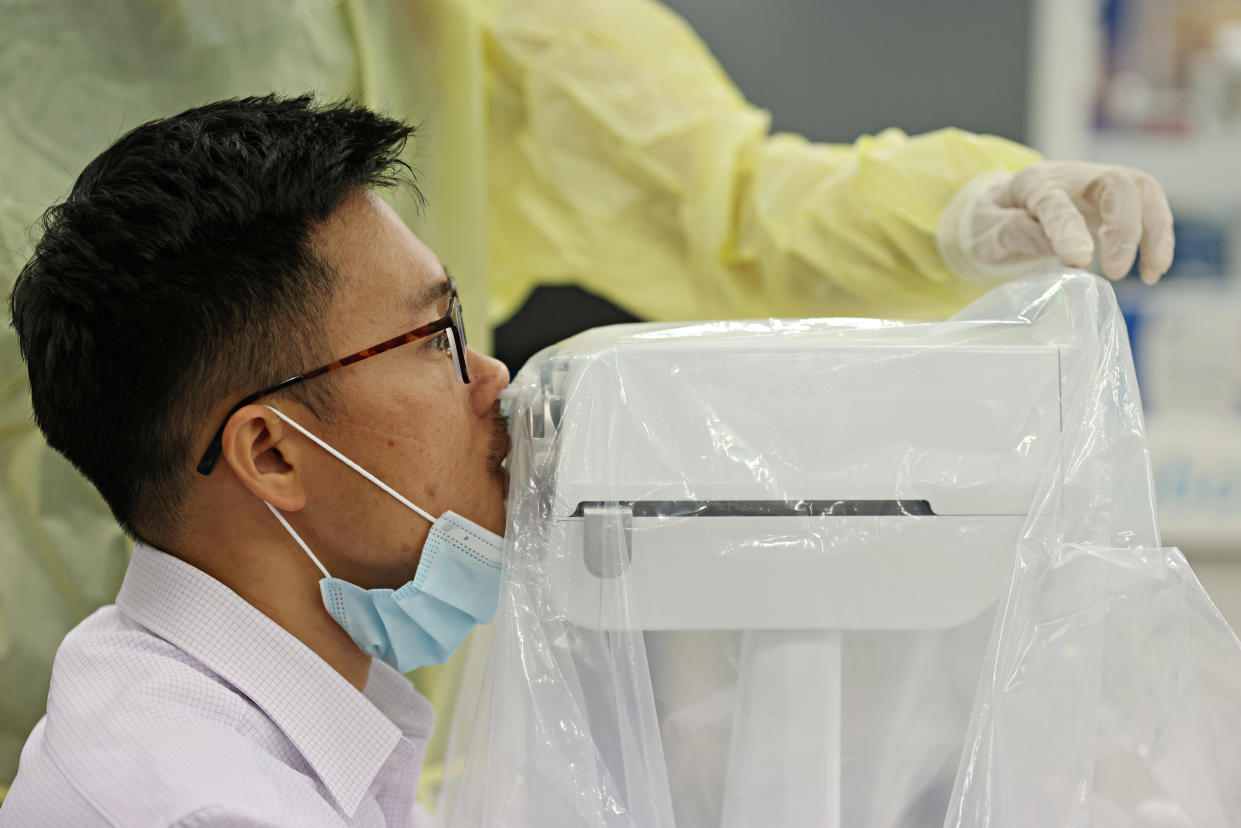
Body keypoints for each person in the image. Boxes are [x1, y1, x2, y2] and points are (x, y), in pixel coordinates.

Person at [0, 91, 1176, 826]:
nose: (493, 382)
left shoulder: (220, 704)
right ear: (273, 452)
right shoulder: (196, 800)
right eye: (433, 342)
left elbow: (718, 184)